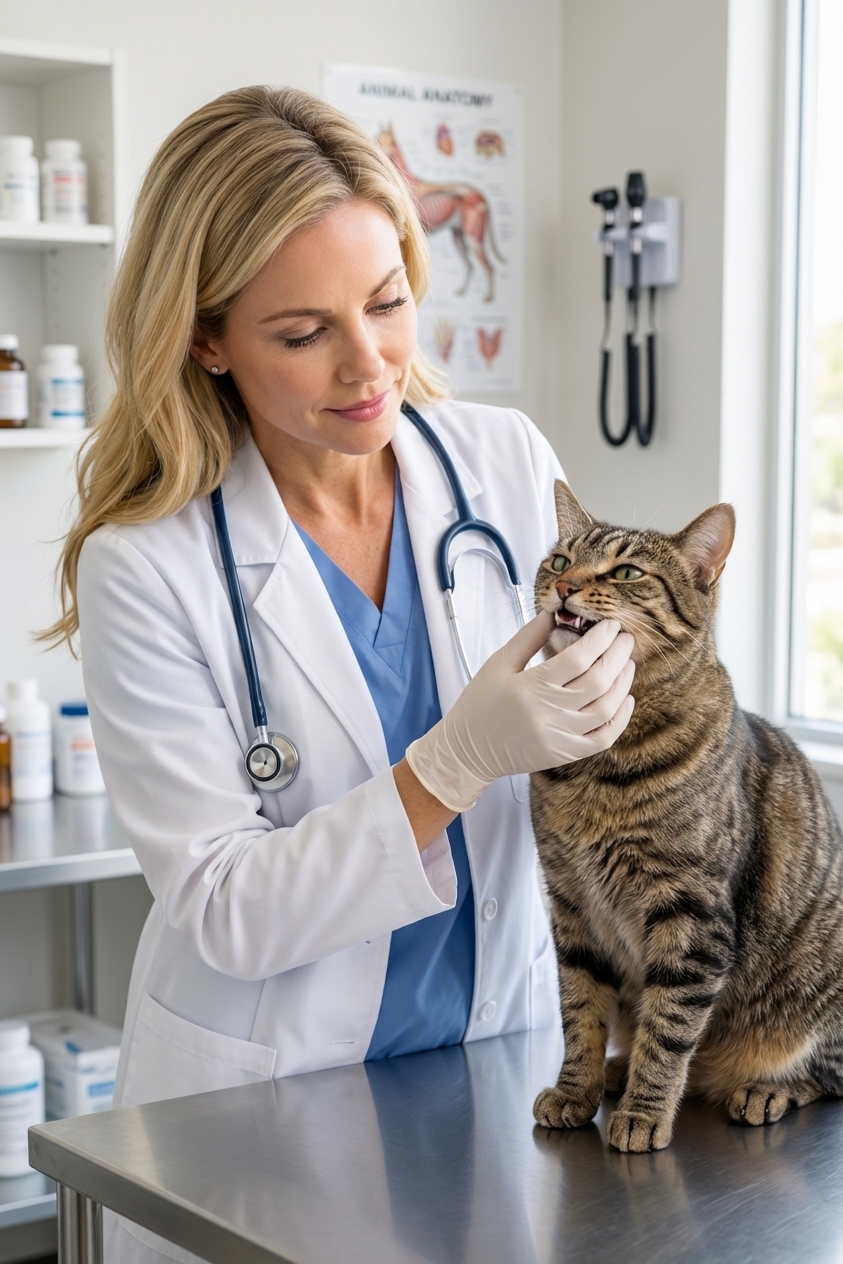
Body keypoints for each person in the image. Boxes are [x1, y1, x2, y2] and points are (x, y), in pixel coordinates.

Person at [49, 86, 634, 1263]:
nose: (369, 365)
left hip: (495, 1065)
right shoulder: (147, 564)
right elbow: (223, 906)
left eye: (388, 302)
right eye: (303, 332)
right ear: (206, 337)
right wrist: (456, 760)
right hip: (265, 1104)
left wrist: (623, 706)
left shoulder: (503, 465)